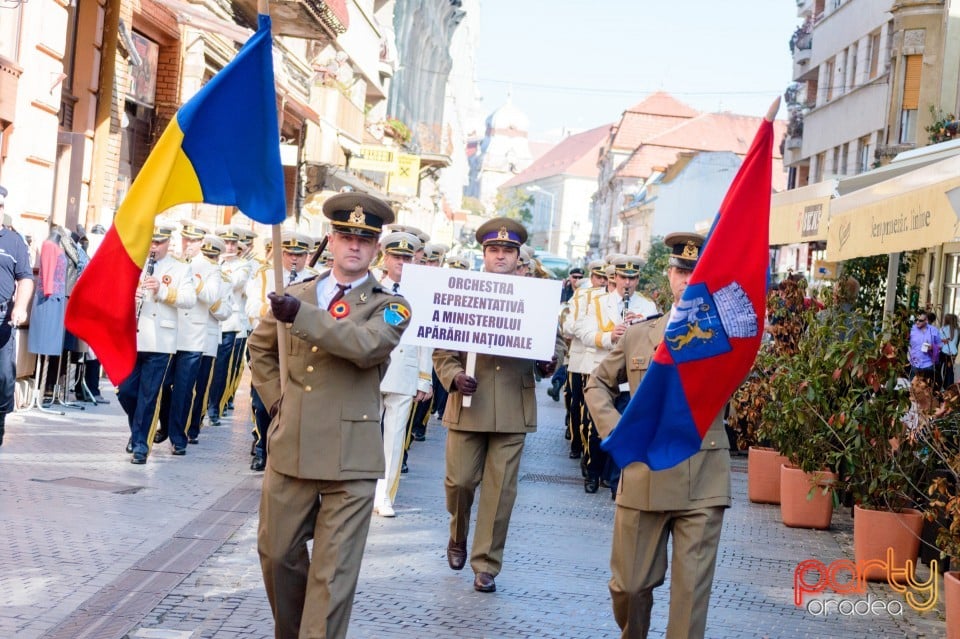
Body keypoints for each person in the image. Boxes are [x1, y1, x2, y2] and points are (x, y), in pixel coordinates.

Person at [248, 192, 411, 639]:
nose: (354, 246)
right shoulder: (295, 291)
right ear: (331, 240)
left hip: (350, 457)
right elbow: (260, 348)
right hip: (292, 444)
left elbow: (366, 347)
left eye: (365, 238)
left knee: (332, 575)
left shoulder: (389, 305)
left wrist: (301, 316)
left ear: (377, 248)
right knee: (277, 554)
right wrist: (279, 401)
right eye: (345, 236)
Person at [584, 231, 731, 639]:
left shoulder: (727, 339)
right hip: (644, 471)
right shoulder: (639, 335)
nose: (688, 279)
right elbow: (596, 384)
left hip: (702, 473)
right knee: (628, 588)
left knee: (689, 600)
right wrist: (619, 431)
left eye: (698, 271)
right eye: (682, 270)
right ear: (669, 275)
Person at [433, 217, 564, 594]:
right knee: (459, 483)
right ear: (484, 254)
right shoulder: (462, 291)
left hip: (511, 403)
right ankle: (457, 534)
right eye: (495, 250)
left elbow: (553, 343)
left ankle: (486, 563)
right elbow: (443, 347)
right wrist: (454, 376)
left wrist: (548, 361)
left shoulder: (536, 295)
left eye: (508, 250)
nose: (501, 256)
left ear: (518, 255)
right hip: (468, 401)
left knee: (500, 490)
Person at [117, 221, 197, 463]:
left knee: (149, 395)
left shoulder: (180, 268)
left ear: (168, 243)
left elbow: (189, 299)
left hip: (161, 340)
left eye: (160, 242)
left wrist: (162, 291)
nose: (154, 246)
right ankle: (139, 430)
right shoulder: (135, 262)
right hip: (134, 337)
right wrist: (131, 295)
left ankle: (141, 445)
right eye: (152, 241)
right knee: (127, 392)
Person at [374, 230, 432, 517]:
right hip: (371, 369)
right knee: (364, 434)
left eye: (407, 258)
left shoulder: (421, 291)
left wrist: (425, 376)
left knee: (395, 439)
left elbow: (426, 336)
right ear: (386, 257)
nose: (401, 262)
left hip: (405, 369)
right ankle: (360, 490)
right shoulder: (372, 285)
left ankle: (384, 495)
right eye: (397, 257)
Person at [0, 185, 34, 446]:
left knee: (3, 376)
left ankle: (0, 419)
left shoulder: (14, 242)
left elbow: (25, 279)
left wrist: (20, 307)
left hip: (2, 319)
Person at [909, 311, 941, 382]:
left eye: (920, 320)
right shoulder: (912, 330)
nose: (917, 322)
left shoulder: (934, 330)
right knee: (912, 388)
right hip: (915, 364)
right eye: (916, 320)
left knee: (927, 389)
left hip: (928, 364)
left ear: (926, 321)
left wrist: (932, 347)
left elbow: (940, 345)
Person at [940, 313, 959, 389]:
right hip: (953, 352)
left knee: (939, 369)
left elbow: (939, 340)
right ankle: (949, 387)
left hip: (944, 351)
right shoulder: (957, 329)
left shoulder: (943, 328)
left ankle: (940, 385)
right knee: (949, 370)